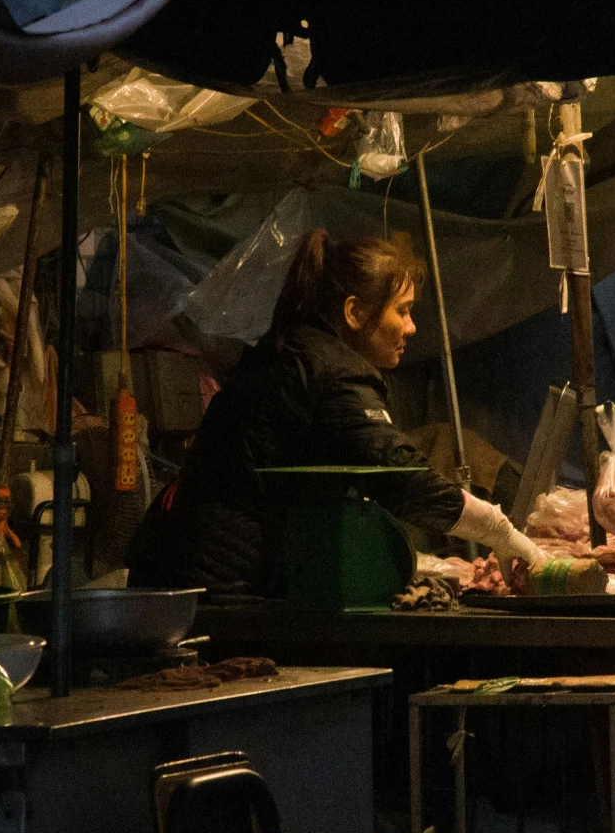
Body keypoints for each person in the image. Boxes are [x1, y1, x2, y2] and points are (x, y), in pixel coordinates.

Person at [126, 230, 548, 598]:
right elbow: (399, 476)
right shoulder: (330, 372)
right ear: (353, 312)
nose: (412, 327)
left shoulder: (292, 351)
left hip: (173, 570)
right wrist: (501, 532)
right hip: (214, 590)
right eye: (401, 310)